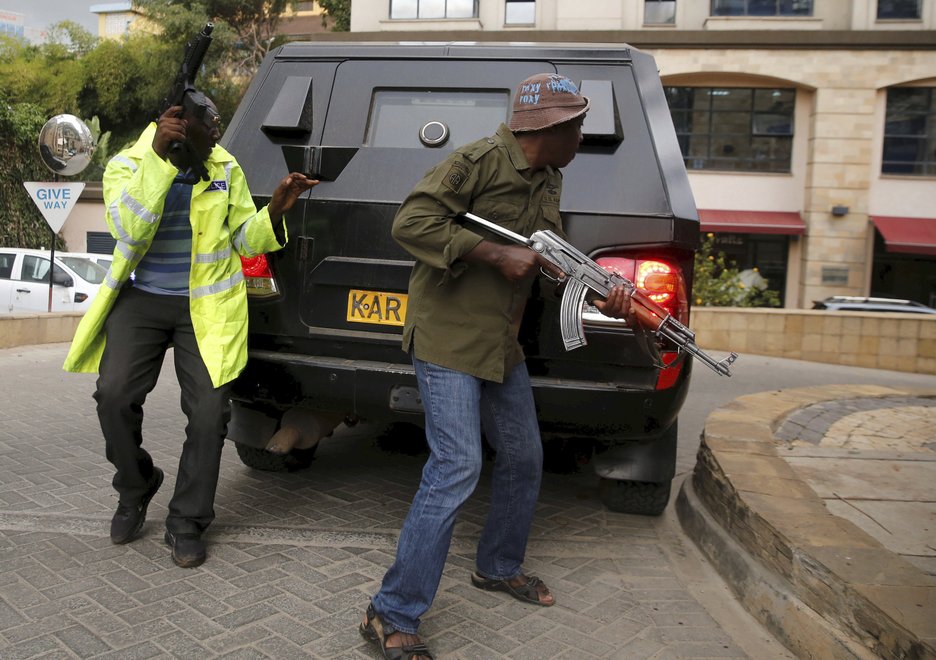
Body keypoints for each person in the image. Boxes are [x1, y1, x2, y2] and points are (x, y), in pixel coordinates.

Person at [359, 73, 633, 659]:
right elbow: (410, 223)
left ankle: (496, 565)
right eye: (577, 126)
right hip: (450, 338)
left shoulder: (550, 176)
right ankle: (390, 613)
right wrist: (493, 252)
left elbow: (549, 248)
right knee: (456, 467)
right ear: (550, 129)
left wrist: (604, 288)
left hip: (500, 344)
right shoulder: (477, 161)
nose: (583, 137)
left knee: (524, 455)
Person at [63, 94, 318, 568]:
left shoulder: (225, 167)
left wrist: (275, 212)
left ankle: (187, 521)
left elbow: (243, 239)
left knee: (208, 415)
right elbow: (128, 230)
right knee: (113, 396)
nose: (220, 133)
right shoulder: (128, 163)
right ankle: (136, 485)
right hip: (141, 299)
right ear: (180, 125)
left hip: (205, 304)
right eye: (213, 124)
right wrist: (160, 164)